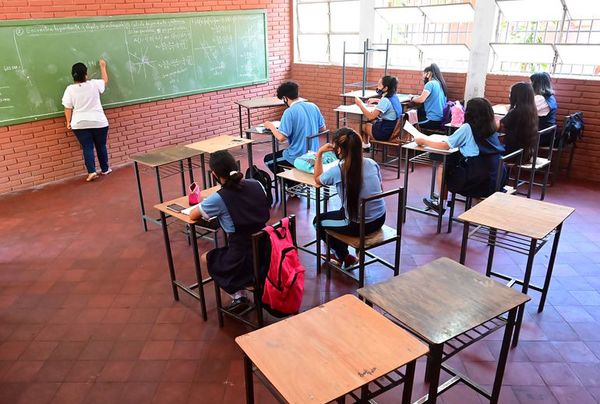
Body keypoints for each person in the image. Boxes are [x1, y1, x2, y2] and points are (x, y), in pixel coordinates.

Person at [191, 151, 270, 309]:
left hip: (242, 258)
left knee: (207, 257)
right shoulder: (256, 184)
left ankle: (237, 295)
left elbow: (193, 215)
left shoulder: (219, 197)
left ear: (214, 174)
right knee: (228, 252)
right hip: (267, 251)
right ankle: (241, 294)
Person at [313, 128, 386, 267]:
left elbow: (317, 179)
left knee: (318, 222)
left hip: (359, 225)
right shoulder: (372, 163)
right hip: (380, 218)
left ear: (339, 150)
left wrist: (320, 153)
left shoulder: (337, 171)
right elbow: (380, 189)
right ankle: (344, 251)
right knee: (342, 211)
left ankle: (344, 256)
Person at [417, 98, 506, 211]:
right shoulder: (491, 126)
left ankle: (441, 202)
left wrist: (424, 141)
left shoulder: (467, 128)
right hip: (496, 177)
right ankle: (446, 198)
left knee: (443, 167)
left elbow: (445, 146)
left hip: (477, 180)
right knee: (453, 164)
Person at [62, 59, 111, 182]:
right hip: (99, 122)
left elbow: (67, 107)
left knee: (87, 147)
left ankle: (91, 172)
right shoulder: (94, 84)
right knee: (101, 145)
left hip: (80, 124)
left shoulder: (70, 89)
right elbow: (105, 81)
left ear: (73, 75)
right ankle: (105, 169)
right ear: (86, 74)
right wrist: (103, 67)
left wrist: (68, 122)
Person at [263, 81, 326, 174]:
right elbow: (322, 129)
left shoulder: (289, 112)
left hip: (297, 156)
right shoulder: (313, 106)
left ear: (285, 98)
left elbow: (281, 138)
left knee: (268, 160)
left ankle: (289, 183)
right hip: (313, 154)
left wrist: (271, 127)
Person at [354, 75, 402, 150]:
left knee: (360, 125)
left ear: (386, 88)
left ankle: (358, 149)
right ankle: (366, 146)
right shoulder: (394, 96)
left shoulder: (385, 100)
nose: (377, 87)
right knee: (370, 122)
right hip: (393, 129)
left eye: (379, 85)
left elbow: (370, 116)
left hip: (385, 133)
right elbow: (390, 105)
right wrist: (377, 100)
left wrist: (360, 104)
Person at [499, 82, 538, 162]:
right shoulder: (532, 111)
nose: (509, 96)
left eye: (510, 93)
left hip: (513, 154)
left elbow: (500, 125)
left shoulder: (516, 112)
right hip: (526, 153)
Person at [410, 63, 448, 130]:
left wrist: (411, 98)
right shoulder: (440, 83)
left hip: (432, 120)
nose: (423, 76)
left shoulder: (430, 84)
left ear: (429, 73)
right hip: (440, 119)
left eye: (424, 73)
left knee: (409, 125)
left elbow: (421, 100)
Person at [530, 72, 558, 145]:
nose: (530, 85)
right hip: (548, 133)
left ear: (536, 84)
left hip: (541, 135)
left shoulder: (540, 99)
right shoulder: (550, 97)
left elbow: (524, 111)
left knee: (514, 133)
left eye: (531, 82)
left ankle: (517, 155)